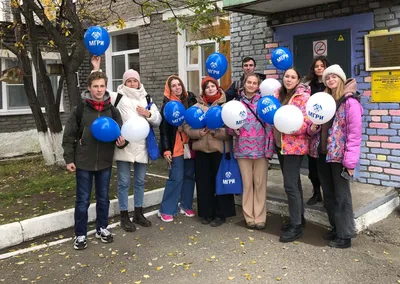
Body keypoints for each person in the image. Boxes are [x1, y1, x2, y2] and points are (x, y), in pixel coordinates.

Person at [91, 56, 162, 232]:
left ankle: (138, 212)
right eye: (128, 80)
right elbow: (100, 91)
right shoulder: (118, 96)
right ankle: (124, 215)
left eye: (134, 80)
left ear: (139, 82)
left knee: (139, 181)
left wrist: (148, 114)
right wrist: (96, 68)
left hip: (142, 146)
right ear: (124, 82)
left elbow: (158, 120)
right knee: (123, 182)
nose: (132, 83)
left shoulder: (146, 97)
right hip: (124, 145)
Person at [62, 71, 126, 250]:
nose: (99, 90)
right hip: (83, 162)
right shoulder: (80, 109)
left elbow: (120, 133)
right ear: (89, 88)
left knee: (103, 198)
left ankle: (102, 228)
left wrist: (122, 142)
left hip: (104, 162)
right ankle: (80, 234)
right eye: (96, 86)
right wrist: (69, 159)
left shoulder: (112, 110)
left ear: (106, 87)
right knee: (82, 200)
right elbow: (69, 135)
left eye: (102, 86)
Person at [308, 65, 362, 249]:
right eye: (327, 78)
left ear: (341, 78)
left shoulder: (350, 103)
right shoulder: (323, 100)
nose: (330, 80)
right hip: (323, 154)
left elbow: (354, 135)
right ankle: (335, 227)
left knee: (342, 196)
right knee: (329, 195)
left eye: (334, 77)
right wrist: (312, 128)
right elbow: (314, 127)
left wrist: (350, 162)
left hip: (339, 157)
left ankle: (345, 234)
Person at [184, 76, 236, 227]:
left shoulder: (226, 106)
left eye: (212, 86)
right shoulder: (196, 107)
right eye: (207, 87)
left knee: (220, 183)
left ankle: (221, 214)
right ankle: (206, 213)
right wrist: (199, 133)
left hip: (219, 150)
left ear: (218, 87)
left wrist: (216, 132)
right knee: (203, 183)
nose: (210, 89)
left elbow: (231, 130)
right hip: (201, 150)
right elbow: (187, 127)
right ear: (203, 90)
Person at [230, 74, 274, 230]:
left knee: (260, 184)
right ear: (244, 83)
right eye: (249, 82)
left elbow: (269, 128)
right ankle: (249, 216)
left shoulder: (264, 103)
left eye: (254, 83)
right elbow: (230, 123)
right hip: (243, 150)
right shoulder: (236, 104)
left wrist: (269, 149)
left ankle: (260, 217)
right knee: (247, 185)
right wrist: (232, 130)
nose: (251, 85)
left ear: (258, 86)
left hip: (261, 150)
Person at [274, 68, 311, 243]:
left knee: (290, 185)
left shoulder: (303, 97)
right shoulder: (278, 95)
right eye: (286, 76)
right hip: (280, 145)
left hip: (294, 147)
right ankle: (299, 219)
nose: (289, 79)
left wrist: (291, 126)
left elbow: (307, 123)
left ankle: (296, 226)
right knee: (294, 183)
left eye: (293, 77)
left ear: (298, 80)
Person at [158, 75, 197, 222]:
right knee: (175, 177)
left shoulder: (190, 101)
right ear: (169, 89)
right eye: (173, 86)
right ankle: (166, 209)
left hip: (190, 145)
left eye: (179, 84)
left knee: (189, 177)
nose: (177, 88)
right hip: (176, 148)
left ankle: (185, 205)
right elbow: (163, 130)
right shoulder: (167, 106)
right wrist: (166, 149)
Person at [303, 56, 330, 206]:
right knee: (313, 166)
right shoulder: (308, 86)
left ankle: (328, 196)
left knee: (325, 165)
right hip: (312, 130)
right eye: (317, 66)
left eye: (322, 66)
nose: (319, 68)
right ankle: (316, 193)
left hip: (328, 131)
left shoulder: (331, 84)